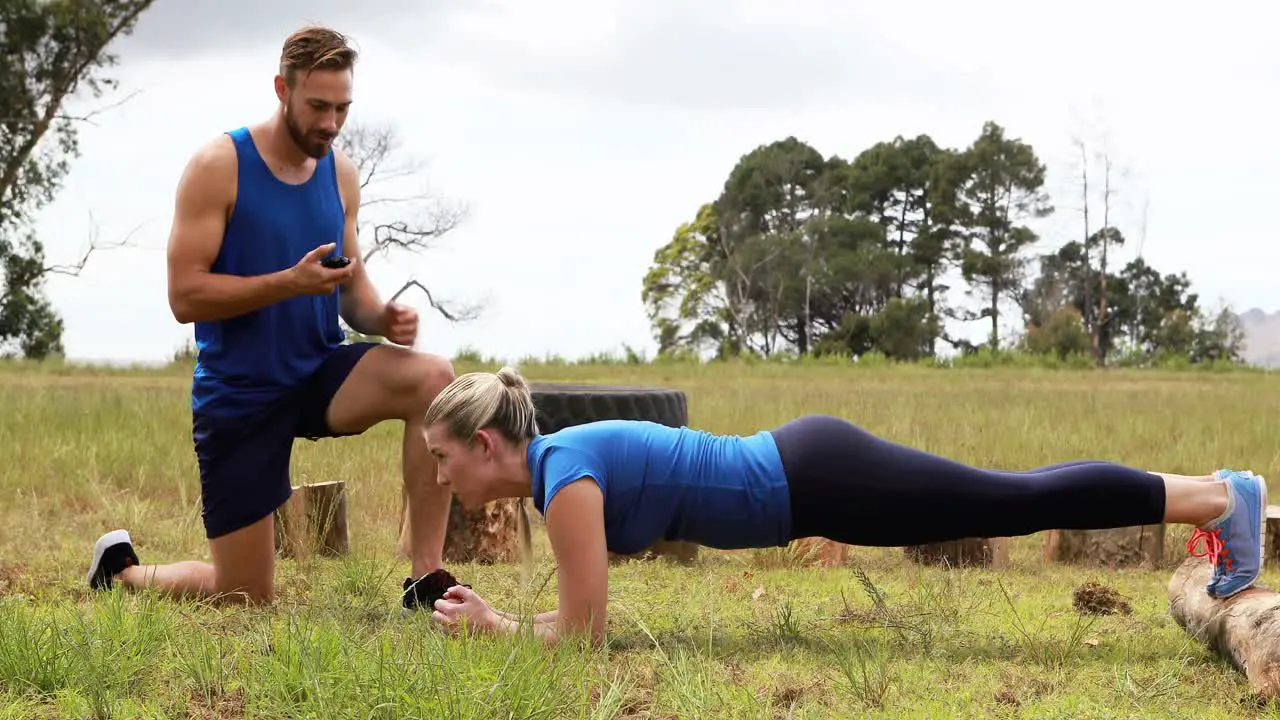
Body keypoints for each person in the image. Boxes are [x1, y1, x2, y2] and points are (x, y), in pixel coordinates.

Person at [419, 367, 1266, 648]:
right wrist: (503, 618)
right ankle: (1214, 495)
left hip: (813, 475)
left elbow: (583, 635)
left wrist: (497, 626)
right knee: (1012, 498)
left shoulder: (564, 480)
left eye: (441, 456)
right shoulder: (560, 473)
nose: (439, 473)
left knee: (1016, 497)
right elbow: (579, 617)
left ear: (485, 443)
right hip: (809, 484)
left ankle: (1224, 496)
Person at [84, 25, 464, 611]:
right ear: (281, 88)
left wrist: (382, 316)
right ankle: (123, 572)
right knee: (245, 596)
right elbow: (184, 296)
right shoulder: (219, 165)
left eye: (342, 108)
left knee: (435, 378)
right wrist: (288, 282)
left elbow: (350, 290)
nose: (330, 123)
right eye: (318, 106)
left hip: (317, 372)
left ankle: (425, 579)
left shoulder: (340, 174)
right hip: (241, 394)